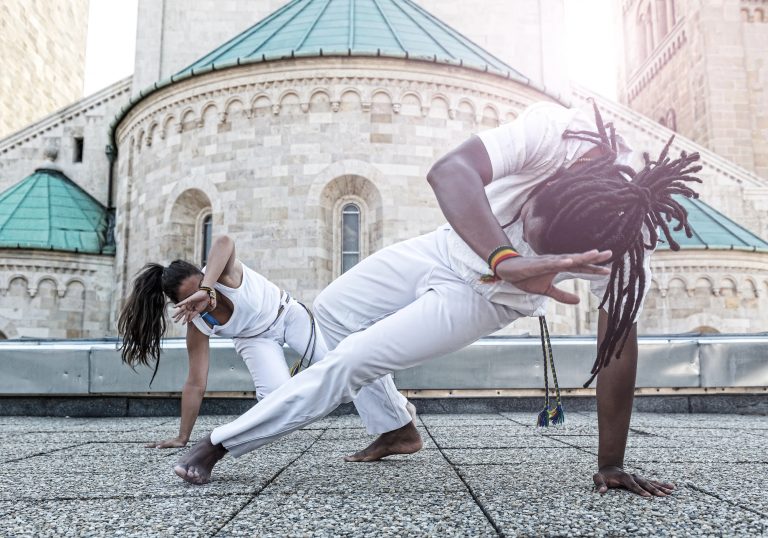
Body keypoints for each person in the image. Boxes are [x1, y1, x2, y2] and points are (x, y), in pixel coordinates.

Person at [172, 101, 701, 497]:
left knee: (353, 359)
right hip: (450, 247)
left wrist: (610, 462)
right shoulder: (557, 134)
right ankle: (396, 426)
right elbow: (449, 171)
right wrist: (509, 256)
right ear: (559, 181)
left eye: (545, 245)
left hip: (488, 297)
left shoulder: (625, 249)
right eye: (534, 226)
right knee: (332, 310)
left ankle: (219, 445)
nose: (531, 239)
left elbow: (617, 351)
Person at [118, 234, 415, 449]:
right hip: (253, 339)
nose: (203, 300)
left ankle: (397, 417)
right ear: (182, 304)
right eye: (191, 298)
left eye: (201, 287)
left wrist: (207, 287)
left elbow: (224, 240)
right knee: (276, 400)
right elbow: (196, 382)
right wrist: (182, 437)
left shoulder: (224, 275)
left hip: (286, 315)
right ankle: (395, 412)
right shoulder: (198, 322)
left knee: (345, 365)